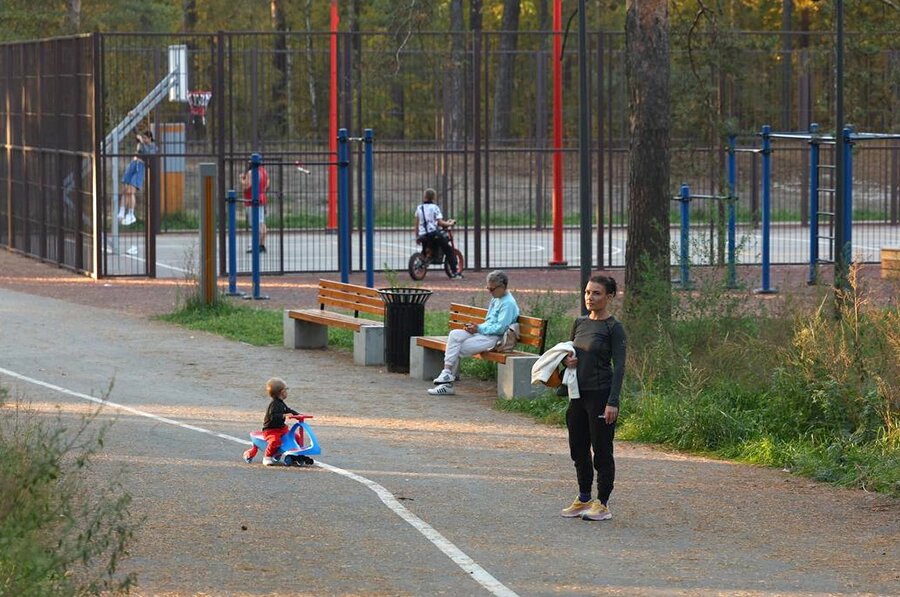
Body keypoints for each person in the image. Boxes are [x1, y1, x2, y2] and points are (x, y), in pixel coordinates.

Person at [559, 274, 626, 521]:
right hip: (578, 395)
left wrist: (613, 402)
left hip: (600, 396)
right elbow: (570, 353)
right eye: (588, 292)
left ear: (609, 297)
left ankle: (603, 502)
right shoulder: (579, 323)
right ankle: (584, 498)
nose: (590, 297)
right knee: (578, 448)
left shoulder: (613, 328)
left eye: (596, 293)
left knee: (602, 450)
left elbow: (619, 367)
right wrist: (569, 361)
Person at [428, 270, 519, 396]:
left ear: (502, 287)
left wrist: (479, 329)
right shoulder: (496, 298)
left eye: (492, 289)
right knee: (455, 334)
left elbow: (500, 328)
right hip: (484, 333)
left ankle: (447, 385)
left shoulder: (508, 304)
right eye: (488, 288)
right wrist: (475, 327)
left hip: (494, 339)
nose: (489, 292)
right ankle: (447, 373)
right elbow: (489, 322)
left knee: (457, 349)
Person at [243, 377, 300, 466]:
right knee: (275, 440)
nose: (287, 392)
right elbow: (273, 416)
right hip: (271, 430)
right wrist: (283, 415)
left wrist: (298, 415)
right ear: (282, 392)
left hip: (281, 428)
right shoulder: (273, 404)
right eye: (286, 390)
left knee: (295, 436)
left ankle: (295, 454)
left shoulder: (281, 403)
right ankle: (267, 456)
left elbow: (288, 410)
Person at [414, 187, 460, 278]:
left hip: (422, 234)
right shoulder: (434, 207)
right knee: (448, 250)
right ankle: (455, 273)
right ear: (433, 197)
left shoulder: (419, 208)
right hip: (433, 234)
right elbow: (440, 222)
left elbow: (416, 223)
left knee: (426, 247)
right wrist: (449, 223)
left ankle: (424, 260)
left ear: (425, 196)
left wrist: (417, 236)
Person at [119, 130, 157, 226]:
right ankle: (121, 211)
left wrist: (141, 143)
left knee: (131, 191)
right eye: (143, 138)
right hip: (133, 163)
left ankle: (131, 214)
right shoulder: (141, 143)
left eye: (145, 138)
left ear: (150, 138)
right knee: (124, 189)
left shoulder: (153, 147)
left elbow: (148, 154)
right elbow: (136, 134)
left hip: (140, 166)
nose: (143, 139)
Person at [240, 163, 269, 253]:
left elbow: (246, 186)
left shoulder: (251, 172)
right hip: (262, 198)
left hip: (252, 200)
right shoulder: (264, 172)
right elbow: (267, 185)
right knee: (261, 222)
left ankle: (254, 245)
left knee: (255, 224)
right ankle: (262, 244)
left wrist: (241, 179)